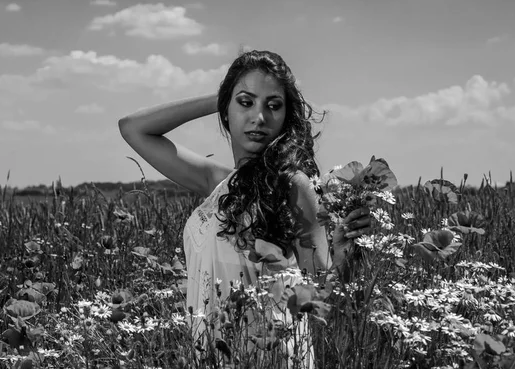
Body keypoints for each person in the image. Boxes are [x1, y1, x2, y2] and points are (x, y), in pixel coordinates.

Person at [118, 50, 371, 366]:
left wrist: (343, 251)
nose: (259, 118)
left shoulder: (292, 184)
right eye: (246, 102)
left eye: (273, 105)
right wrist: (224, 95)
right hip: (214, 353)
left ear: (284, 116)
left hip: (269, 355)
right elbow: (133, 128)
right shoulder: (217, 182)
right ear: (226, 111)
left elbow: (318, 288)